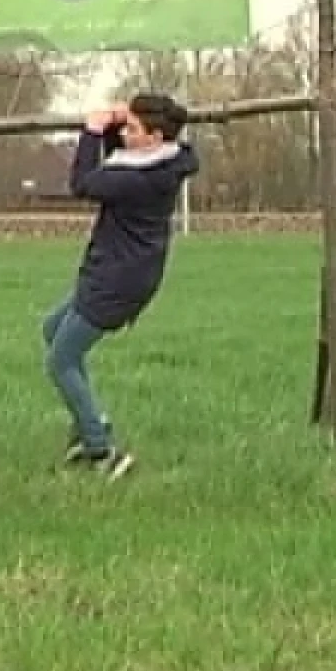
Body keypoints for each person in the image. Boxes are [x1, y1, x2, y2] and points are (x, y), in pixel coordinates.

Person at [44, 93, 198, 481]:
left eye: (131, 129)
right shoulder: (163, 161)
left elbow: (84, 183)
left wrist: (92, 131)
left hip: (117, 280)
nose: (123, 135)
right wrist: (114, 123)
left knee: (61, 360)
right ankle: (91, 422)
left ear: (155, 136)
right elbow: (118, 160)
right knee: (52, 330)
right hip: (113, 272)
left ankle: (102, 449)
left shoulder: (140, 179)